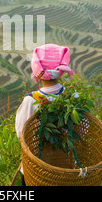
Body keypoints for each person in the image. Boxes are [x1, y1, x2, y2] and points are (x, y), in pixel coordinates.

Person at [15, 43, 74, 185]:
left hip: (36, 168)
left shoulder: (31, 101)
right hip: (65, 166)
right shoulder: (73, 96)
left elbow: (20, 134)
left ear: (36, 70)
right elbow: (83, 130)